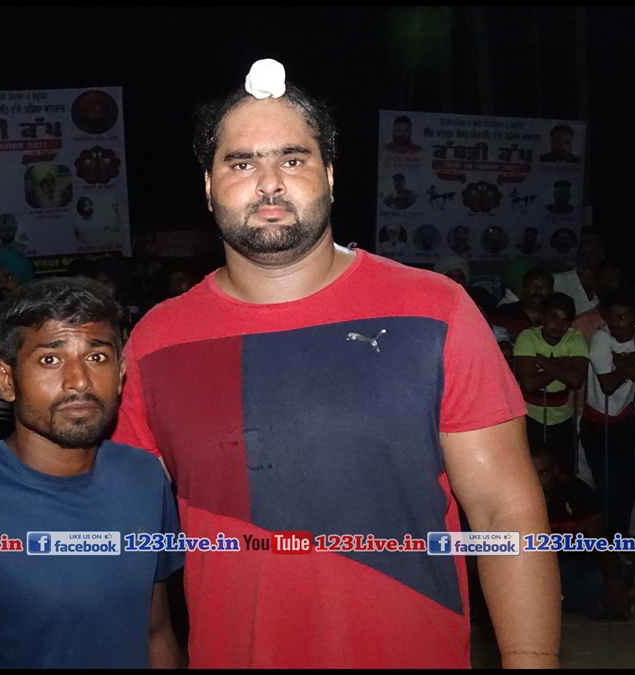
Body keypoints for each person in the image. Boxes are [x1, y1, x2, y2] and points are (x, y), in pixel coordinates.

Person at [112, 59, 559, 668]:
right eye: (241, 163)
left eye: (292, 160)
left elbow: (504, 509)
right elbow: (128, 535)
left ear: (328, 174)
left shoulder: (435, 310)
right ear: (209, 186)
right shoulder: (155, 342)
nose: (269, 183)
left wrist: (530, 659)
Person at [0, 278, 183, 668]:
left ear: (120, 374)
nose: (79, 380)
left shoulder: (145, 478)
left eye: (97, 357)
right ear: (6, 379)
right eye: (50, 359)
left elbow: (155, 633)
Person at [582, 290, 635, 538]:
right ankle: (605, 546)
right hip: (597, 424)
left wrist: (621, 361)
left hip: (626, 422)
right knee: (606, 490)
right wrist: (634, 360)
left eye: (623, 317)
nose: (615, 323)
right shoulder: (601, 338)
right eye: (612, 317)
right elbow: (608, 385)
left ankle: (619, 542)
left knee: (627, 490)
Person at [531, 443, 632, 620]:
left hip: (578, 564)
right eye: (532, 473)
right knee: (533, 586)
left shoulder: (575, 491)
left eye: (543, 473)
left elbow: (600, 540)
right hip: (537, 568)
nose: (537, 480)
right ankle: (595, 609)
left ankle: (569, 601)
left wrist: (614, 582)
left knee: (615, 576)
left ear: (555, 470)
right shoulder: (513, 496)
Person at [513, 292, 588, 479]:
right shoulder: (528, 337)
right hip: (530, 417)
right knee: (530, 474)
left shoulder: (575, 338)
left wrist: (541, 360)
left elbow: (576, 379)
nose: (559, 325)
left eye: (565, 320)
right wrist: (562, 364)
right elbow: (529, 384)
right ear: (543, 317)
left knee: (564, 475)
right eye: (554, 317)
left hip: (563, 419)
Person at [0, 248, 36, 443]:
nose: (1, 283)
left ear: (23, 277)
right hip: (4, 411)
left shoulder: (43, 313)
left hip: (40, 407)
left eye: (8, 276)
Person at [553, 229, 605, 317]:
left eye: (591, 253)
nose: (585, 256)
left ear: (601, 257)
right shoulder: (558, 281)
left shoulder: (607, 284)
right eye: (582, 252)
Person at [492, 267, 552, 340]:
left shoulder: (555, 318)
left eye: (545, 287)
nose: (538, 291)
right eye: (533, 286)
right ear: (522, 289)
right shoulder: (505, 312)